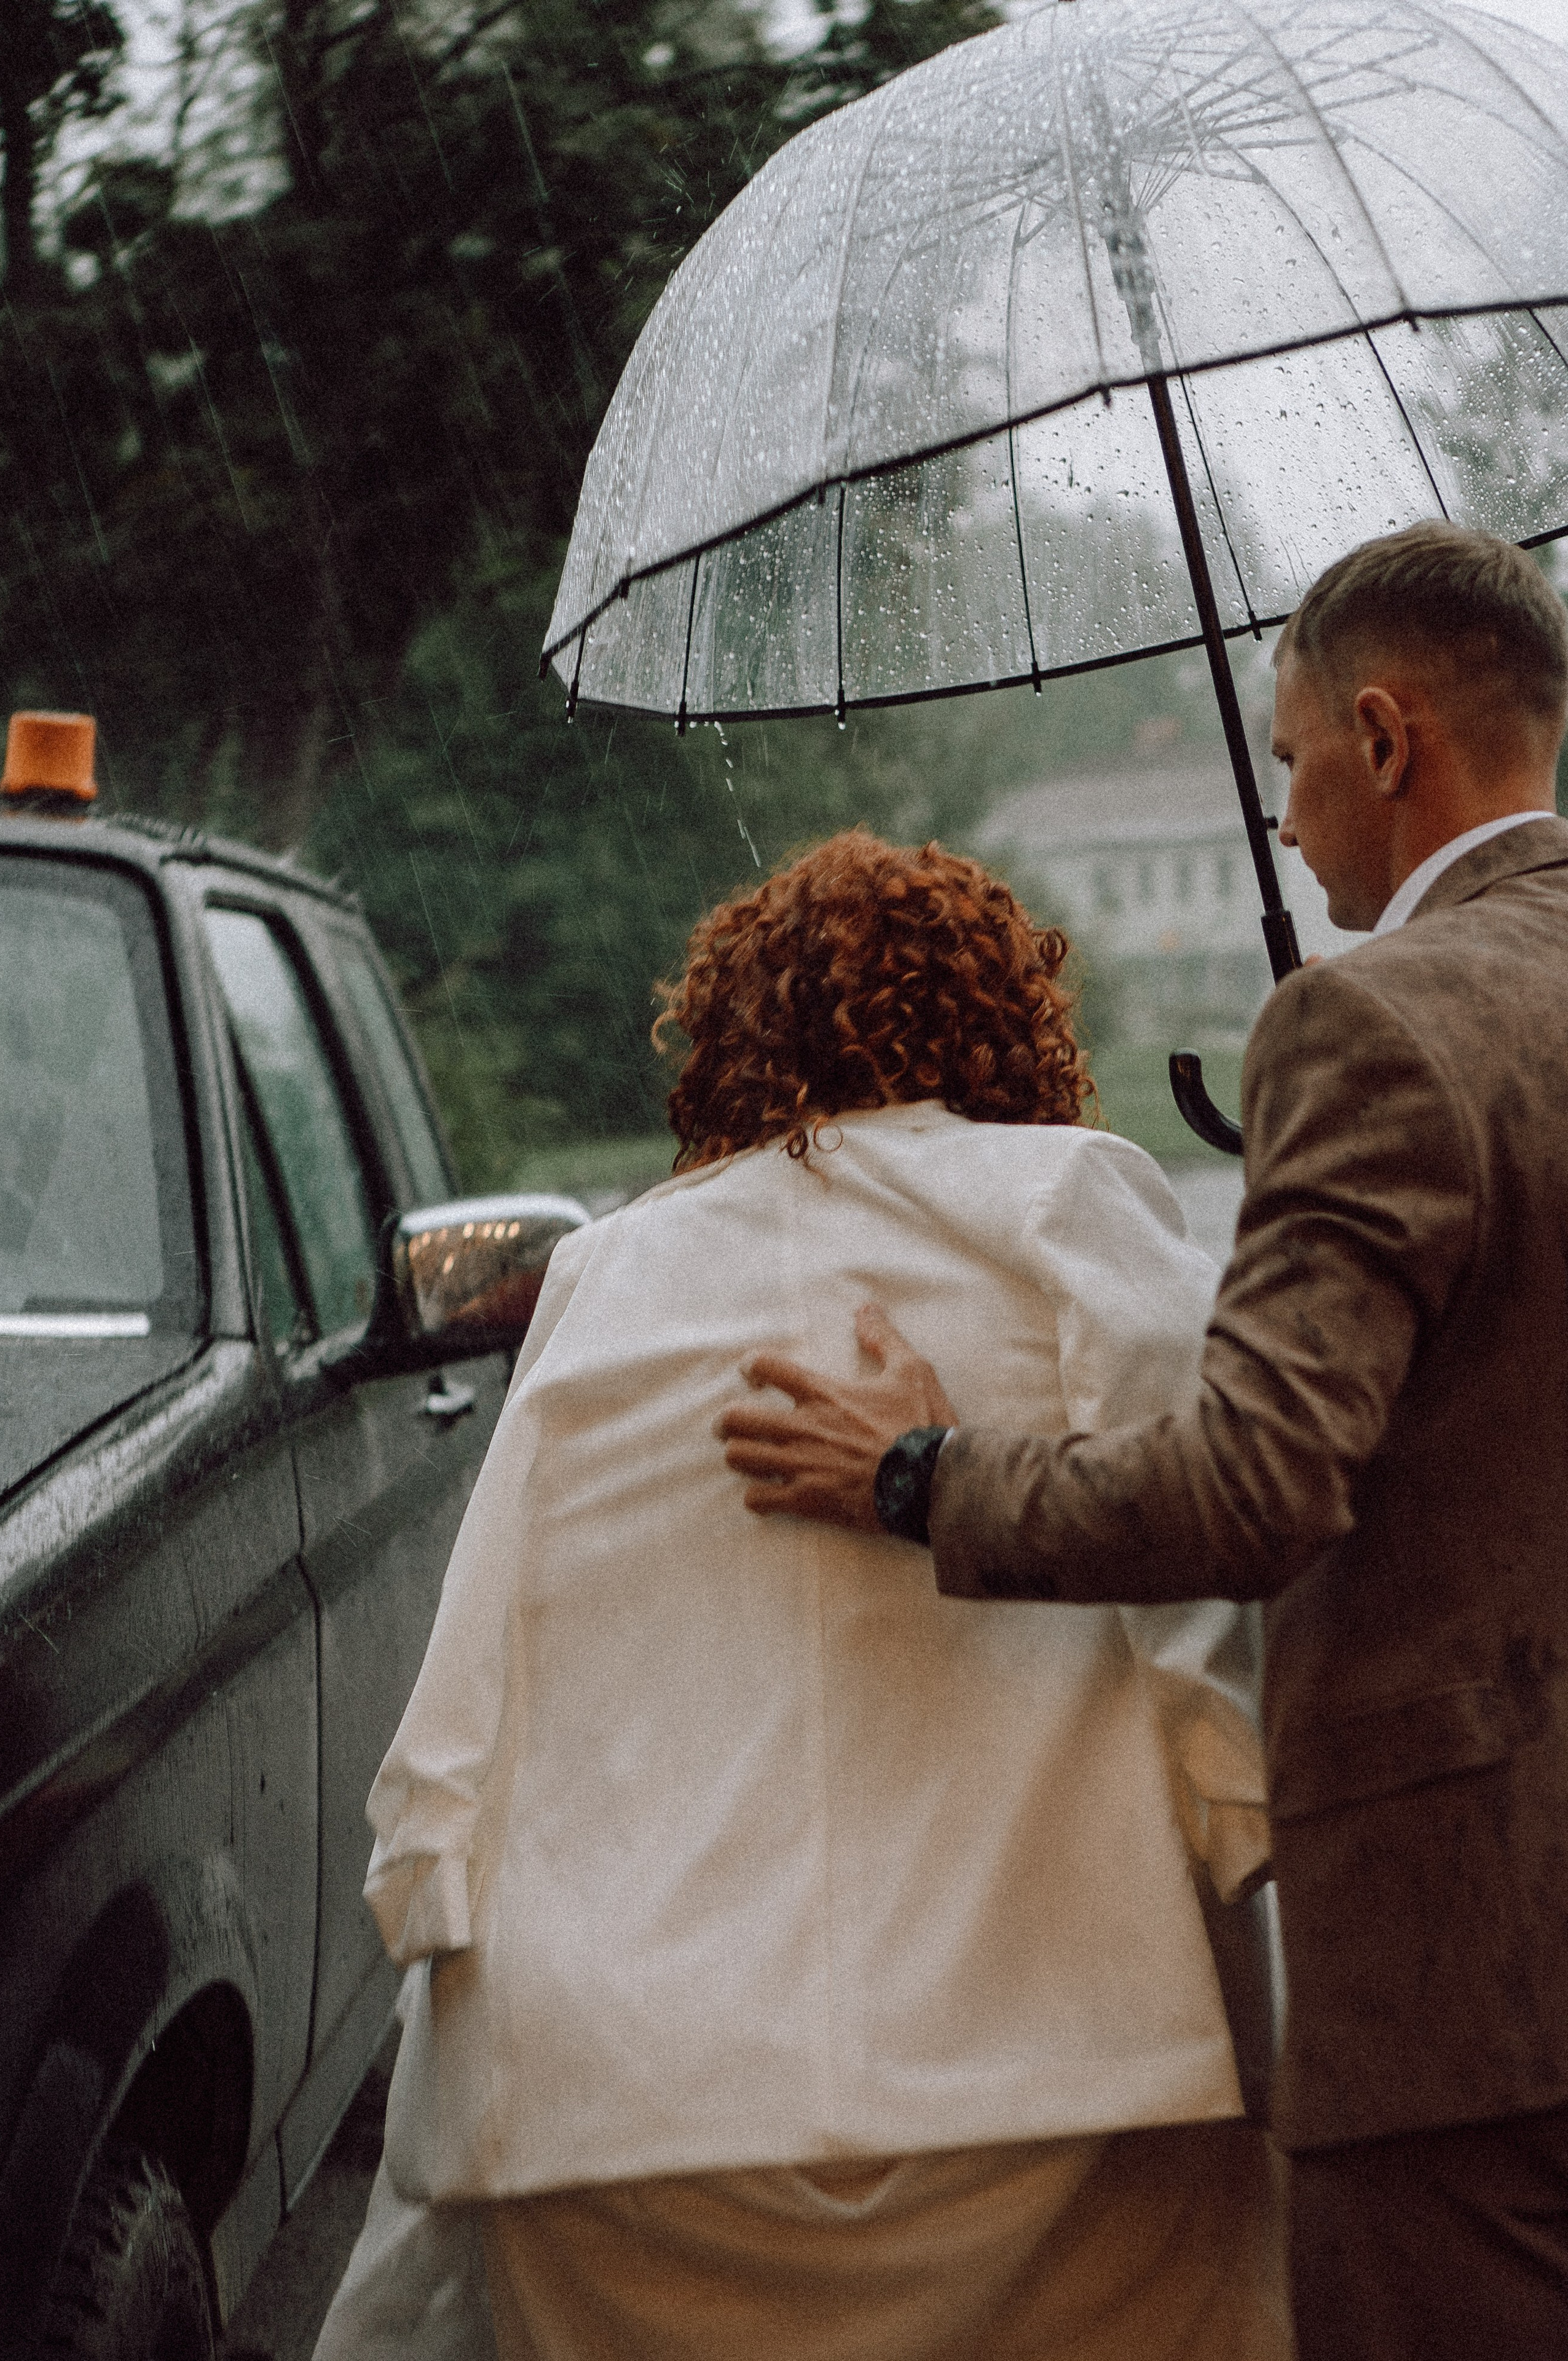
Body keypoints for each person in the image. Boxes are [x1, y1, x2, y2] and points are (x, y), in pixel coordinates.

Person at [717, 523, 1568, 2361]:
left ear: (1388, 737)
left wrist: (915, 1469)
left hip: (1477, 1968)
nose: (1283, 813)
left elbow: (1258, 1484)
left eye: (1287, 758)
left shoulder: (1371, 1026)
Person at [315, 831, 1290, 2361]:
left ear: (730, 1033)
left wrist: (424, 1882)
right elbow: (1202, 1551)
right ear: (1007, 1016)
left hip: (634, 2107)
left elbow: (475, 1652)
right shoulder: (1065, 1206)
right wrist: (1239, 1829)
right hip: (1058, 2062)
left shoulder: (613, 1273)